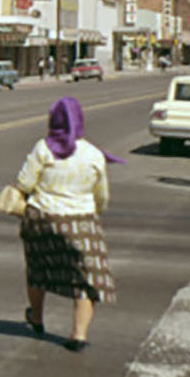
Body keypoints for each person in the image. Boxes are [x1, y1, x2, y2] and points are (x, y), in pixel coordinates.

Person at [14, 96, 118, 351]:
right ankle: (78, 335)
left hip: (42, 218)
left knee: (38, 270)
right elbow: (101, 196)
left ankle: (37, 318)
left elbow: (24, 184)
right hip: (81, 221)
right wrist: (94, 215)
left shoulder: (43, 148)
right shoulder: (94, 154)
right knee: (85, 280)